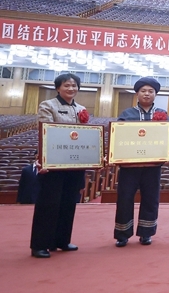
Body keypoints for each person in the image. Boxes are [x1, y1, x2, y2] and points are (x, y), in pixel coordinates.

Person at [30, 73, 88, 258]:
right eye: (66, 85)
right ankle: (40, 244)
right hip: (53, 161)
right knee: (48, 203)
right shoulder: (48, 105)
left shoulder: (81, 109)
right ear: (58, 88)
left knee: (69, 202)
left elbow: (85, 135)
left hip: (75, 163)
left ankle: (62, 240)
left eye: (74, 85)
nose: (71, 88)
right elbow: (45, 131)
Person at [114, 77, 167, 247]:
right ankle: (122, 234)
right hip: (129, 166)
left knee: (151, 199)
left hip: (152, 166)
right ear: (137, 93)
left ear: (155, 94)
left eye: (151, 91)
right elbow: (118, 137)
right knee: (125, 199)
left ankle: (146, 233)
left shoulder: (162, 114)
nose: (147, 94)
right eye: (143, 91)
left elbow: (166, 138)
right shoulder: (127, 114)